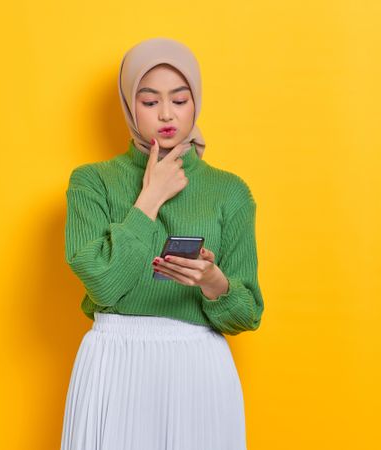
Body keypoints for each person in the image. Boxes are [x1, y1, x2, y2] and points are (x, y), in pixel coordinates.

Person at [60, 37, 264, 450]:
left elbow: (248, 314)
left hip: (198, 367)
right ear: (129, 106)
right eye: (150, 102)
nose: (167, 114)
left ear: (196, 102)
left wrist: (214, 283)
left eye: (180, 99)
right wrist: (149, 198)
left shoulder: (230, 191)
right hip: (114, 362)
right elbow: (102, 284)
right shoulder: (92, 182)